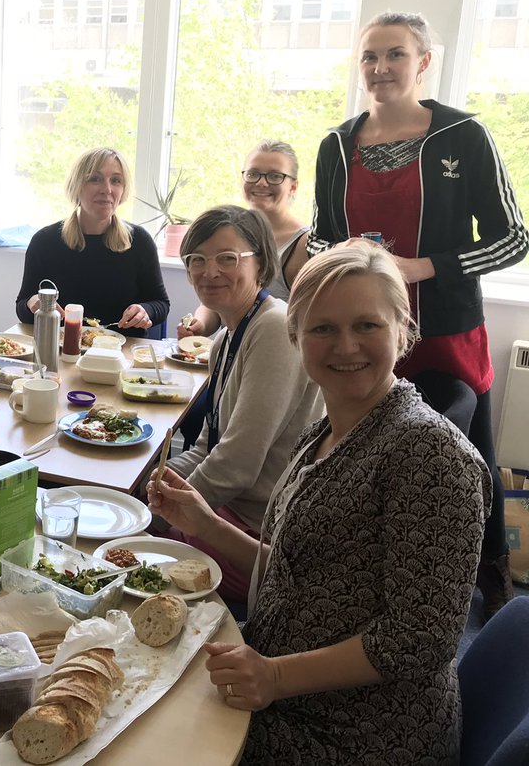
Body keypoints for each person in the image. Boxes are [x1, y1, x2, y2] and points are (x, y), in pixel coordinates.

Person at [148, 241, 490, 764]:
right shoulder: (324, 434)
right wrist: (205, 523)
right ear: (296, 338)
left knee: (155, 743)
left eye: (367, 325)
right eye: (323, 328)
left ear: (402, 330)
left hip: (354, 733)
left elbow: (419, 639)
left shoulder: (430, 455)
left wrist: (274, 676)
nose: (345, 346)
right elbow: (297, 572)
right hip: (281, 682)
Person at [308, 10, 528, 617]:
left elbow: (513, 239)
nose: (380, 68)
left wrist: (421, 267)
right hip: (363, 331)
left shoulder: (464, 136)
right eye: (370, 57)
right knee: (364, 453)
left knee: (462, 455)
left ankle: (489, 569)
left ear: (423, 62)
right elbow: (322, 236)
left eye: (395, 55)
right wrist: (351, 260)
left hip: (445, 332)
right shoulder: (336, 145)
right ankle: (366, 576)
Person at [156, 206, 322, 604]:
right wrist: (157, 482)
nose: (209, 272)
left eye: (227, 258)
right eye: (197, 259)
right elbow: (206, 446)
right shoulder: (224, 339)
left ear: (260, 263)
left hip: (258, 533)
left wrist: (163, 514)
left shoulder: (274, 329)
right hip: (228, 512)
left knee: (133, 560)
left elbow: (237, 465)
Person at [15, 147, 169, 335]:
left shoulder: (139, 241)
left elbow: (161, 303)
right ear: (76, 186)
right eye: (95, 179)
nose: (107, 189)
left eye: (116, 180)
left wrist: (146, 310)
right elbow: (22, 307)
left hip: (122, 349)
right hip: (62, 346)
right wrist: (32, 304)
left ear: (123, 190)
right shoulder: (45, 242)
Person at [179, 141, 310, 339]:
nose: (261, 183)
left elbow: (308, 321)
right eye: (253, 174)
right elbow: (220, 295)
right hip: (234, 345)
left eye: (275, 176)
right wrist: (200, 325)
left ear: (293, 186)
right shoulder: (230, 228)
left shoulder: (302, 245)